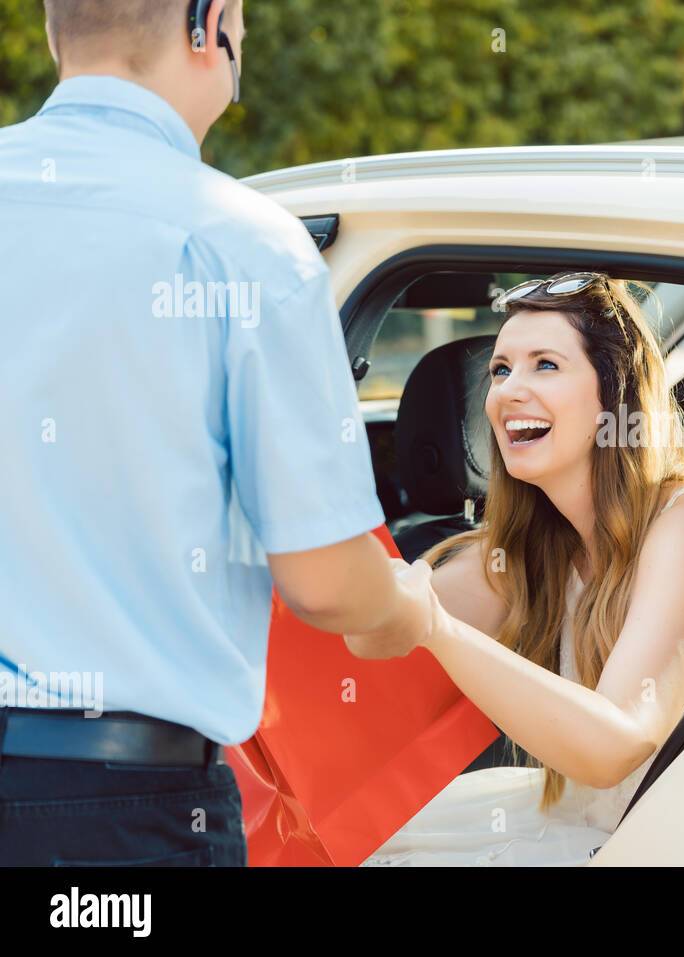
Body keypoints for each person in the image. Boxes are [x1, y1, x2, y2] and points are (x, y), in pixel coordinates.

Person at [0, 0, 435, 866]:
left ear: (56, 33)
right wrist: (409, 606)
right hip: (116, 818)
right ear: (213, 24)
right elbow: (326, 585)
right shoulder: (241, 244)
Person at [357, 272, 684, 865]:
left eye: (545, 365)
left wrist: (438, 630)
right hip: (612, 823)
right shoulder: (537, 544)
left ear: (612, 396)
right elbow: (373, 616)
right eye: (501, 369)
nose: (510, 390)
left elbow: (616, 741)